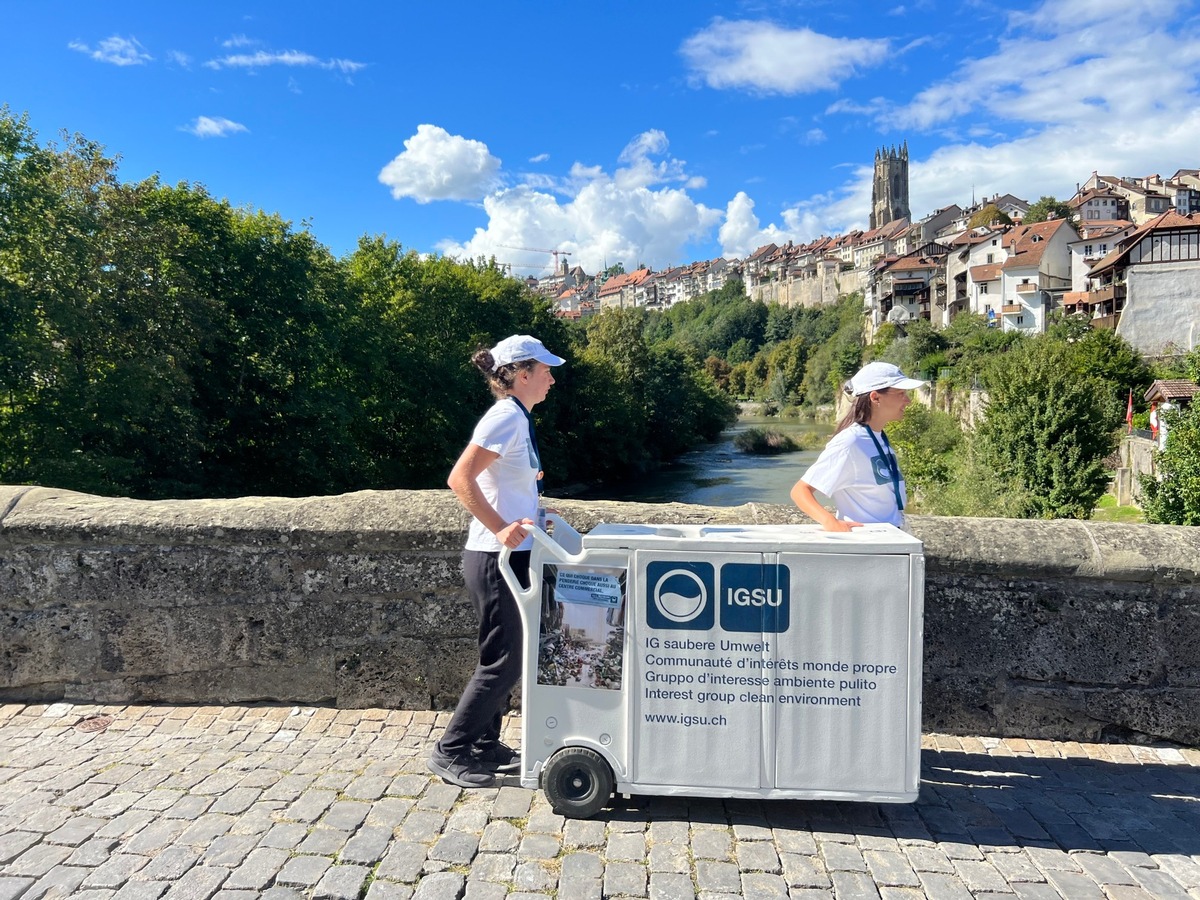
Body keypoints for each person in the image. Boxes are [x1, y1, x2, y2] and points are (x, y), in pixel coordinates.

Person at [429, 334, 565, 788]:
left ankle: (484, 745)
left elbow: (505, 486)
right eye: (545, 370)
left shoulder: (518, 419)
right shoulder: (506, 417)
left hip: (509, 555)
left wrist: (534, 513)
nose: (550, 377)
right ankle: (451, 751)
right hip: (495, 557)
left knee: (505, 654)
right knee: (504, 661)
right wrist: (500, 528)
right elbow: (459, 478)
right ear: (521, 374)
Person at [790, 361, 926, 531]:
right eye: (900, 393)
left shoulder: (879, 437)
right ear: (875, 397)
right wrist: (830, 522)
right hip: (867, 545)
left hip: (889, 543)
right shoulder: (850, 442)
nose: (908, 401)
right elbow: (800, 491)